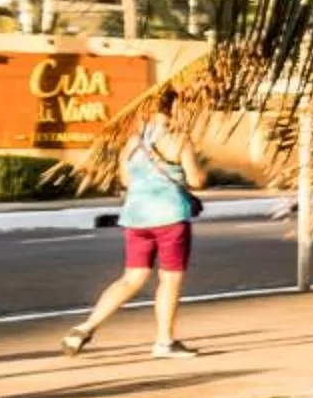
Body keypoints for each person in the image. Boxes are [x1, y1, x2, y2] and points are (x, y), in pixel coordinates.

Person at [62, 86, 207, 360]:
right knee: (169, 280)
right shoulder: (179, 140)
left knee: (131, 278)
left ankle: (85, 327)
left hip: (136, 218)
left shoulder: (132, 143)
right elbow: (196, 179)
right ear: (176, 108)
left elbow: (127, 180)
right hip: (170, 216)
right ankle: (165, 341)